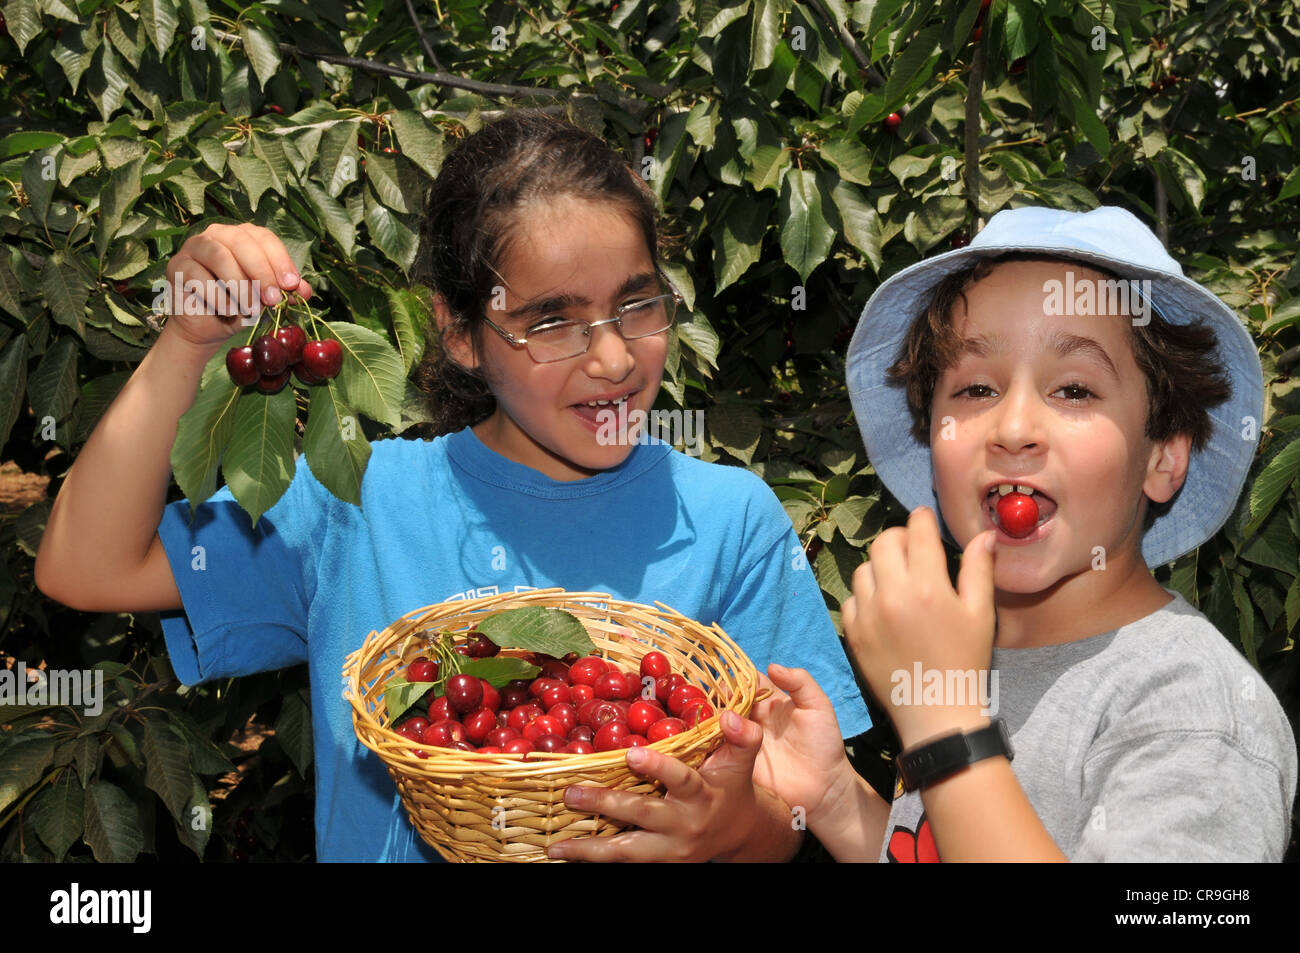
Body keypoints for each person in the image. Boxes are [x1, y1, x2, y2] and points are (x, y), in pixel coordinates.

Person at [34, 111, 871, 862]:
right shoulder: (358, 502)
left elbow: (793, 819)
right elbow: (83, 566)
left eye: (637, 304)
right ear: (462, 334)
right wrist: (184, 343)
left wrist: (735, 830)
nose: (613, 359)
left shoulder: (731, 522)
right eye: (551, 319)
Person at [744, 205, 1296, 861]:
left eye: (1073, 389)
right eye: (976, 387)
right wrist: (838, 798)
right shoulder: (972, 659)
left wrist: (945, 729)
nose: (1013, 427)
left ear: (1162, 456)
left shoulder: (1193, 713)